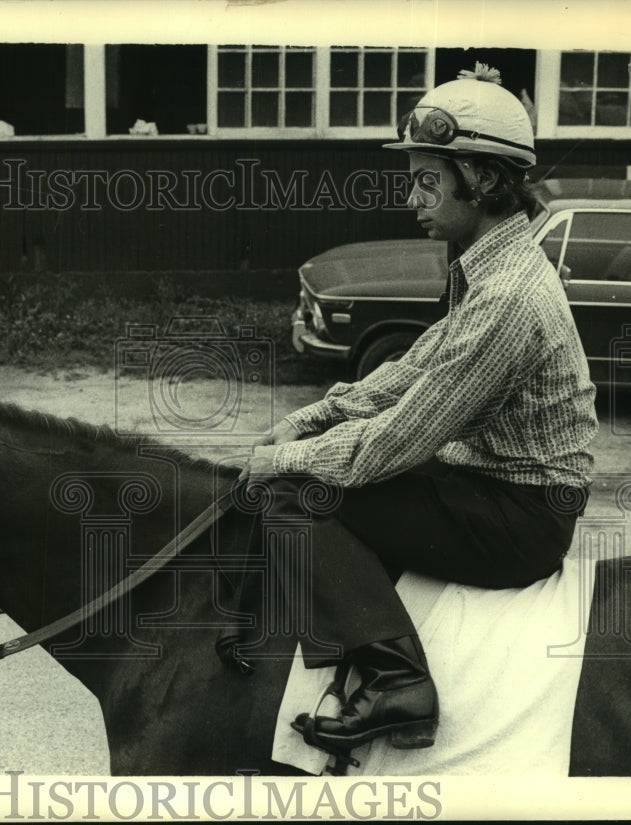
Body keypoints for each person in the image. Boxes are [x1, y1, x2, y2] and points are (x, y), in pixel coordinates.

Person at [226, 65, 598, 757]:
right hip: (488, 485)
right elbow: (415, 367)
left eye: (428, 180)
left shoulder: (509, 298)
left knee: (294, 498)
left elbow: (395, 442)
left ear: (482, 180)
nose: (412, 198)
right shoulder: (486, 262)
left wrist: (282, 460)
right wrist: (313, 417)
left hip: (521, 517)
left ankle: (400, 684)